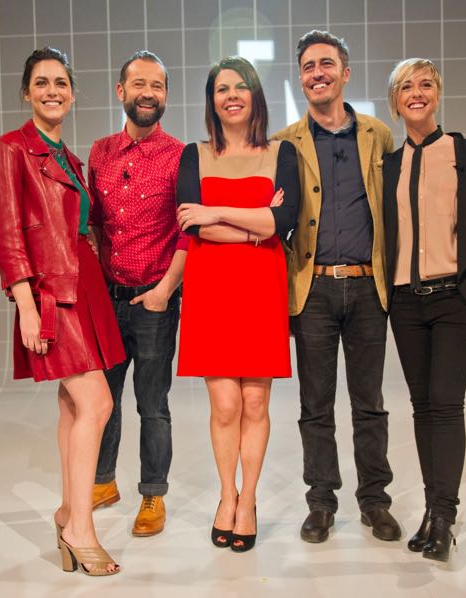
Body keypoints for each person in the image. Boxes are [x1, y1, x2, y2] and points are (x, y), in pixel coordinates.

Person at [0, 47, 125, 576]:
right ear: (26, 92)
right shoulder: (9, 150)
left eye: (61, 82)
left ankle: (69, 512)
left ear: (72, 93)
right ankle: (80, 528)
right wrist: (25, 304)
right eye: (41, 82)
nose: (52, 91)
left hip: (83, 286)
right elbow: (6, 232)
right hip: (51, 293)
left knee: (71, 405)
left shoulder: (68, 157)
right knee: (98, 402)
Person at [273, 30, 401, 543]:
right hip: (314, 290)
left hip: (369, 288)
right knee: (315, 406)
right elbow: (274, 218)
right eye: (308, 66)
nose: (317, 73)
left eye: (326, 64)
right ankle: (321, 502)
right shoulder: (285, 142)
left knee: (369, 403)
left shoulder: (378, 135)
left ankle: (375, 501)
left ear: (345, 74)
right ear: (300, 78)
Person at [176, 56, 299, 552]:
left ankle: (248, 501)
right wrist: (254, 224)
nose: (231, 96)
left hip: (261, 286)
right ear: (212, 100)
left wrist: (217, 212)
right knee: (225, 405)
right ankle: (226, 495)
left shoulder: (282, 152)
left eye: (240, 87)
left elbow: (283, 223)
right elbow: (192, 225)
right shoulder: (194, 155)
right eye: (221, 88)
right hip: (211, 288)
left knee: (255, 402)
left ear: (255, 96)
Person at [383, 58, 466, 562]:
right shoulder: (389, 165)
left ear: (437, 93)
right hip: (405, 302)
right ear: (395, 101)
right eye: (406, 87)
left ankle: (445, 517)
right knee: (422, 407)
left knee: (447, 403)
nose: (417, 92)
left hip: (456, 298)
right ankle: (431, 511)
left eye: (426, 84)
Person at [88, 51, 187, 537]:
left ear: (165, 95)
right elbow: (93, 223)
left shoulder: (181, 156)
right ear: (121, 91)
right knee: (102, 400)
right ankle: (102, 482)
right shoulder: (100, 152)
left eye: (158, 86)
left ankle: (153, 493)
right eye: (139, 84)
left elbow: (188, 234)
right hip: (107, 300)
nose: (148, 93)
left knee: (153, 404)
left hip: (154, 303)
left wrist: (165, 291)